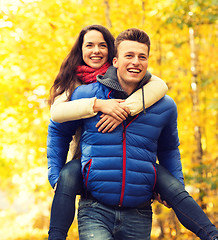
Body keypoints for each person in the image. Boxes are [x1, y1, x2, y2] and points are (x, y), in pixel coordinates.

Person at [47, 28, 218, 240]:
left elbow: (169, 148)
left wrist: (175, 185)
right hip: (95, 204)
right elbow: (57, 127)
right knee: (68, 174)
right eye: (129, 56)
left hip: (139, 208)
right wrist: (54, 174)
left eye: (142, 57)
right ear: (115, 60)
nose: (136, 62)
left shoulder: (162, 103)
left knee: (174, 187)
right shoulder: (82, 92)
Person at [47, 25, 168, 240]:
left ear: (112, 53)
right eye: (89, 45)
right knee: (66, 176)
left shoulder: (126, 76)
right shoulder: (72, 82)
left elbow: (159, 85)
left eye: (102, 45)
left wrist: (123, 110)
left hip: (125, 160)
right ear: (80, 49)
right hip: (86, 158)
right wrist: (99, 105)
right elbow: (57, 119)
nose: (96, 51)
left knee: (174, 188)